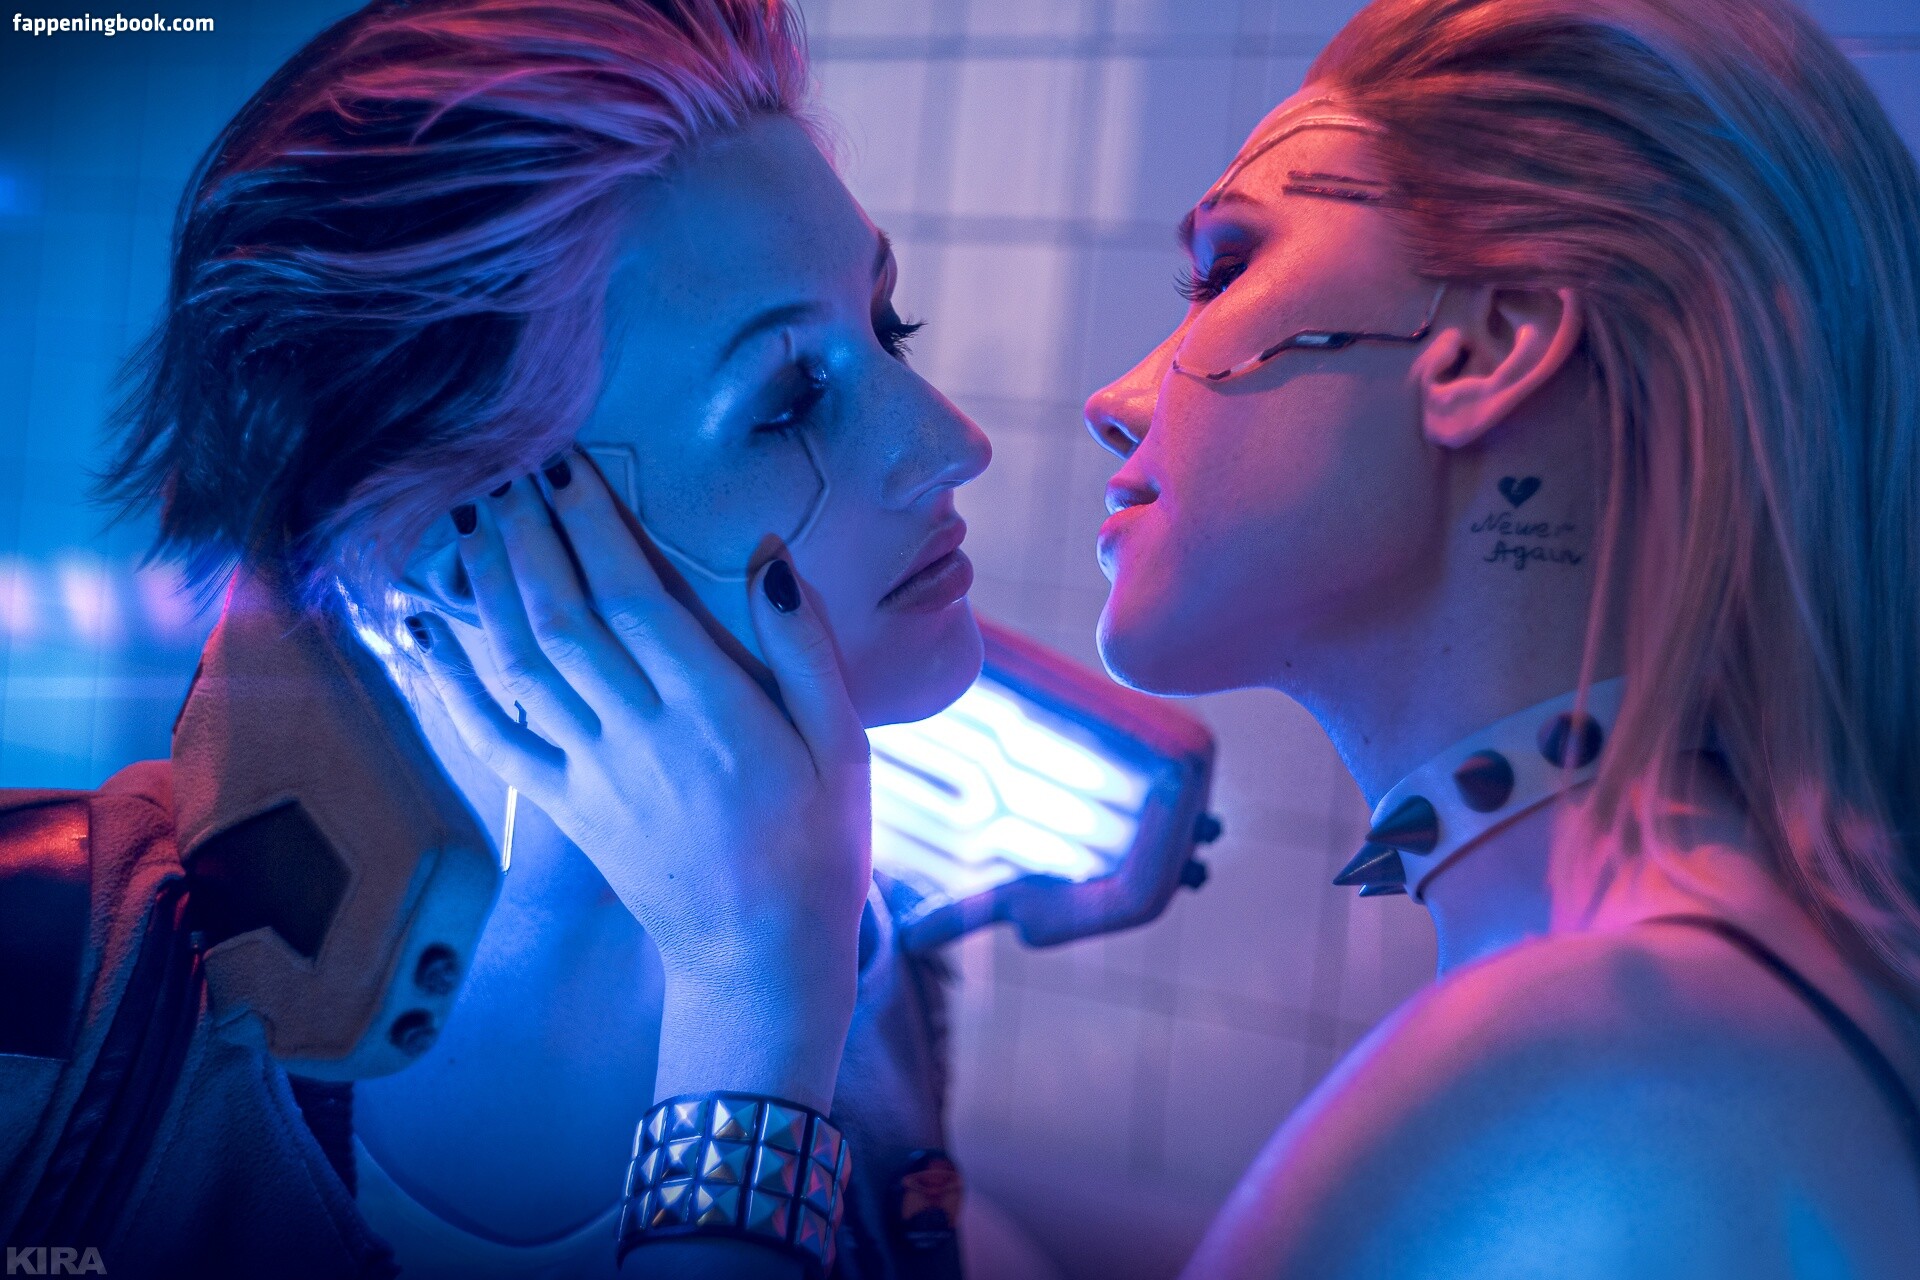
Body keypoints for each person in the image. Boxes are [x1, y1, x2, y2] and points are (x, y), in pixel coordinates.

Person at [430, 0, 1920, 1275]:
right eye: (789, 397)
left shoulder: (1603, 1078)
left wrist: (756, 1020)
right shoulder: (1678, 999)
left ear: (1493, 346)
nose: (1110, 398)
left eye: (1223, 271)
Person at [2, 1, 1001, 1276]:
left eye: (889, 326)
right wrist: (754, 1016)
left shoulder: (866, 962)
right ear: (445, 547)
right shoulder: (38, 987)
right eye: (788, 398)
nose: (954, 441)